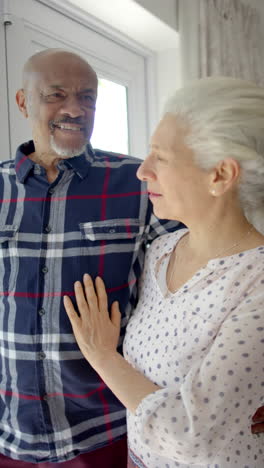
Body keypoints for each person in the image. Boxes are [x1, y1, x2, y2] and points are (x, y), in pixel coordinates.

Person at [64, 77, 264, 468]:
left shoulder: (256, 282)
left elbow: (191, 437)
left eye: (161, 157)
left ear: (220, 175)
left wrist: (103, 356)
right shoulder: (161, 251)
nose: (143, 171)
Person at [0, 48, 178, 467]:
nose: (74, 109)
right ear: (24, 101)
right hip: (10, 435)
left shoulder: (138, 183)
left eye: (87, 97)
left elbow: (209, 273)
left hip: (109, 429)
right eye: (55, 95)